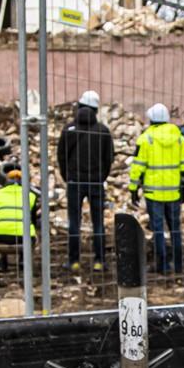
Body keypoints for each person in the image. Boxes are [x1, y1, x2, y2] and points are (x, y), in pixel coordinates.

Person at [129, 103, 184, 276]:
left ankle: (162, 265)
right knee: (175, 229)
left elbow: (138, 166)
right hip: (173, 192)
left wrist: (133, 188)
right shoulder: (179, 138)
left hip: (153, 193)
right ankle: (178, 265)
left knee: (158, 230)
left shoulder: (146, 138)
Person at [57, 89, 114, 271]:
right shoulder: (102, 131)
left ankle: (74, 261)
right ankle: (99, 261)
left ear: (80, 106)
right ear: (96, 110)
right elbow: (108, 159)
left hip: (74, 182)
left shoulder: (69, 129)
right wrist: (100, 177)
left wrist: (68, 177)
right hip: (96, 183)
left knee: (74, 222)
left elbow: (61, 157)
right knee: (98, 223)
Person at [0, 165, 38, 272]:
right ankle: (24, 260)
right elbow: (33, 220)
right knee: (32, 232)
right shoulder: (31, 195)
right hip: (22, 238)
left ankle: (1, 262)